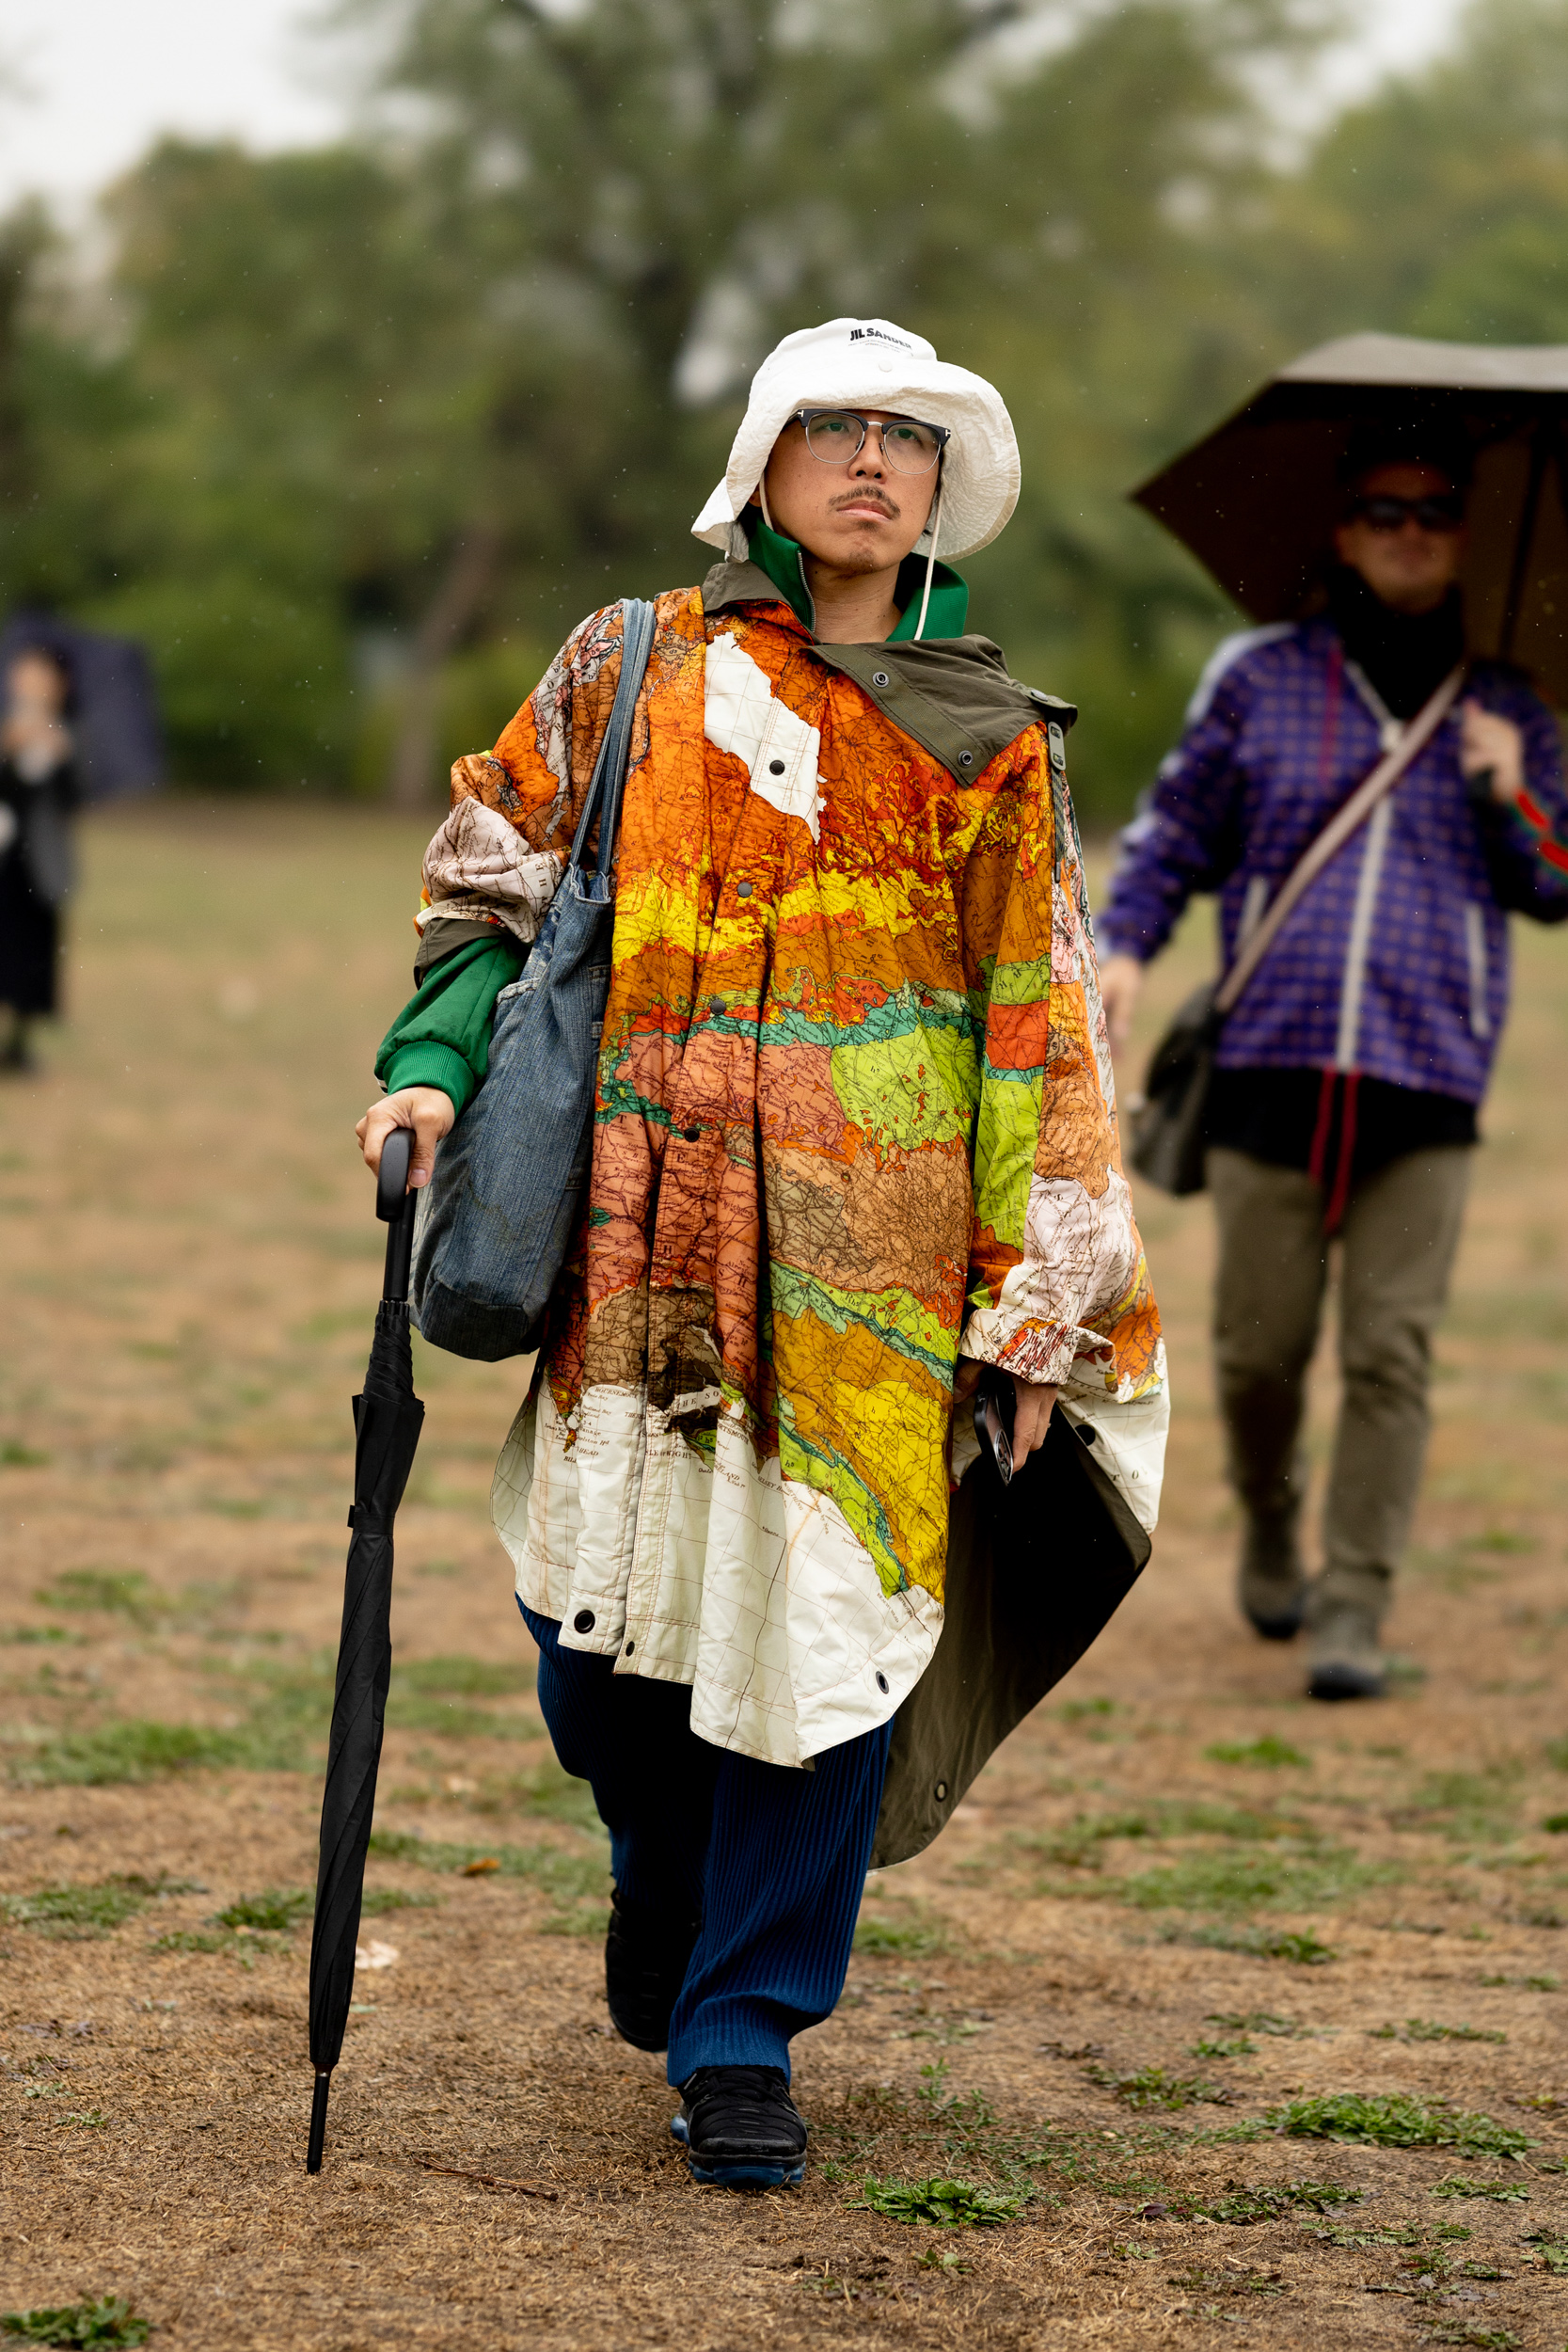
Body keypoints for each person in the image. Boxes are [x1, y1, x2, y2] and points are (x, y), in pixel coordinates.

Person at [356, 317, 1165, 2189]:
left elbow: (1033, 1029)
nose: (871, 459)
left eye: (906, 434)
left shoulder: (988, 736)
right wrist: (421, 1071)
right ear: (762, 461)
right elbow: (487, 873)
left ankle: (743, 2029)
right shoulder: (631, 664)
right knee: (589, 1652)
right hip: (633, 1265)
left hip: (872, 1294)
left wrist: (1031, 1303)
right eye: (833, 428)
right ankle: (660, 1867)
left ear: (943, 481)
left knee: (823, 1653)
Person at [1097, 421, 1568, 1703]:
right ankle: (1267, 1520)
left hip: (1427, 1075)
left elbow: (1552, 883)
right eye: (1380, 510)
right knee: (1257, 1355)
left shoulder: (1509, 704)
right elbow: (1174, 831)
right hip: (1268, 1061)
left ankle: (1352, 1606)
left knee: (1387, 1354)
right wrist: (1125, 944)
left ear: (1462, 535)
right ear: (1340, 531)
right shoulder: (1258, 676)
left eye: (1430, 513)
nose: (1406, 532)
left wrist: (1508, 792)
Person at [0, 644, 78, 1072]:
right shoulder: (6, 729)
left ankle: (19, 1042)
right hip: (4, 857)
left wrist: (60, 753)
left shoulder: (68, 735)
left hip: (40, 864)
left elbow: (76, 797)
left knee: (32, 953)